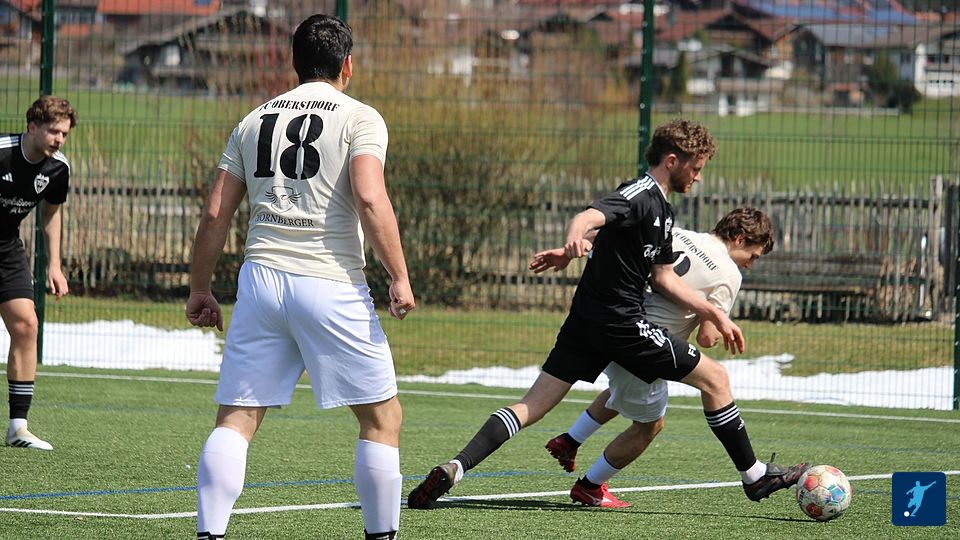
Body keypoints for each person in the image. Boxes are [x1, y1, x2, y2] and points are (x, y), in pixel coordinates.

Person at [407, 119, 806, 510]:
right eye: (696, 168)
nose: (698, 177)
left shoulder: (664, 214)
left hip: (585, 321)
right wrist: (573, 240)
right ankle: (754, 477)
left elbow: (662, 276)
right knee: (715, 378)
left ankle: (456, 466)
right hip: (622, 323)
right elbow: (588, 217)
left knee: (532, 405)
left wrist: (568, 253)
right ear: (672, 161)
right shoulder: (640, 193)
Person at [185, 15, 413, 540]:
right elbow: (370, 196)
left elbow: (215, 213)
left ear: (295, 63)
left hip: (260, 281)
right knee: (382, 420)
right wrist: (398, 275)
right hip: (330, 280)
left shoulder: (253, 120)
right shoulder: (359, 117)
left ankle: (209, 533)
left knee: (236, 419)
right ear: (347, 65)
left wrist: (200, 287)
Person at [535, 208, 776, 507]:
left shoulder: (679, 235)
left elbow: (617, 240)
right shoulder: (729, 273)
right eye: (753, 256)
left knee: (624, 391)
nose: (750, 264)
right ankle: (590, 486)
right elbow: (706, 338)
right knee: (652, 423)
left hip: (616, 325)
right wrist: (715, 320)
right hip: (645, 346)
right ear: (739, 238)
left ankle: (569, 441)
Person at [2, 96, 76, 451]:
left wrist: (55, 265)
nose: (59, 139)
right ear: (32, 127)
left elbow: (51, 213)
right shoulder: (2, 152)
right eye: (53, 131)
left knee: (27, 325)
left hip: (6, 246)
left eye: (64, 133)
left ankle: (18, 428)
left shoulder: (58, 169)